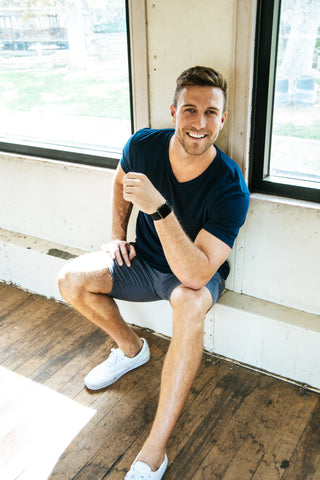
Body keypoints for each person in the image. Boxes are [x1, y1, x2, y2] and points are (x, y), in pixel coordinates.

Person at [58, 65, 250, 480]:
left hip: (193, 271)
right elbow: (121, 180)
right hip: (142, 260)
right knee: (70, 278)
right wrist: (116, 234)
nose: (200, 124)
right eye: (190, 110)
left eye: (211, 113)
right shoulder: (143, 145)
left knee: (190, 301)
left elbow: (196, 273)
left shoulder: (231, 186)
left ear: (223, 118)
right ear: (174, 110)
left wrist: (158, 207)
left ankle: (154, 449)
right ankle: (132, 350)